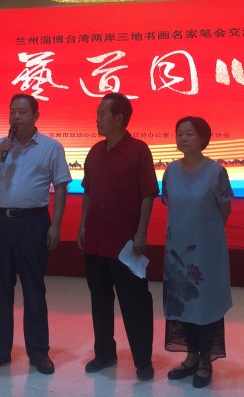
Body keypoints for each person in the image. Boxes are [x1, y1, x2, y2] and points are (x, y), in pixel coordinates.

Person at [0, 93, 71, 376]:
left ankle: (39, 352)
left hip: (33, 222)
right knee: (0, 288)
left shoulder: (51, 147)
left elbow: (61, 186)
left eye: (22, 112)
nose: (16, 117)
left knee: (33, 288)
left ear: (36, 116)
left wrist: (56, 225)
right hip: (0, 223)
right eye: (12, 112)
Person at [78, 92, 158, 381]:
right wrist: (83, 226)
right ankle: (104, 353)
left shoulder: (139, 150)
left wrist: (141, 231)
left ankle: (143, 361)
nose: (97, 119)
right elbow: (88, 192)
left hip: (125, 243)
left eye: (102, 114)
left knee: (134, 302)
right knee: (99, 299)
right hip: (96, 240)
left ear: (119, 118)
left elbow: (148, 193)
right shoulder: (95, 151)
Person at [162, 116, 233, 389]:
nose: (183, 138)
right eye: (180, 133)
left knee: (206, 306)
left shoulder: (216, 172)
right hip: (178, 252)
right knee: (184, 304)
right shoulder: (170, 171)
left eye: (190, 134)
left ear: (203, 139)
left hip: (206, 251)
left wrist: (206, 235)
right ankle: (191, 357)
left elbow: (224, 210)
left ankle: (205, 362)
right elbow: (169, 203)